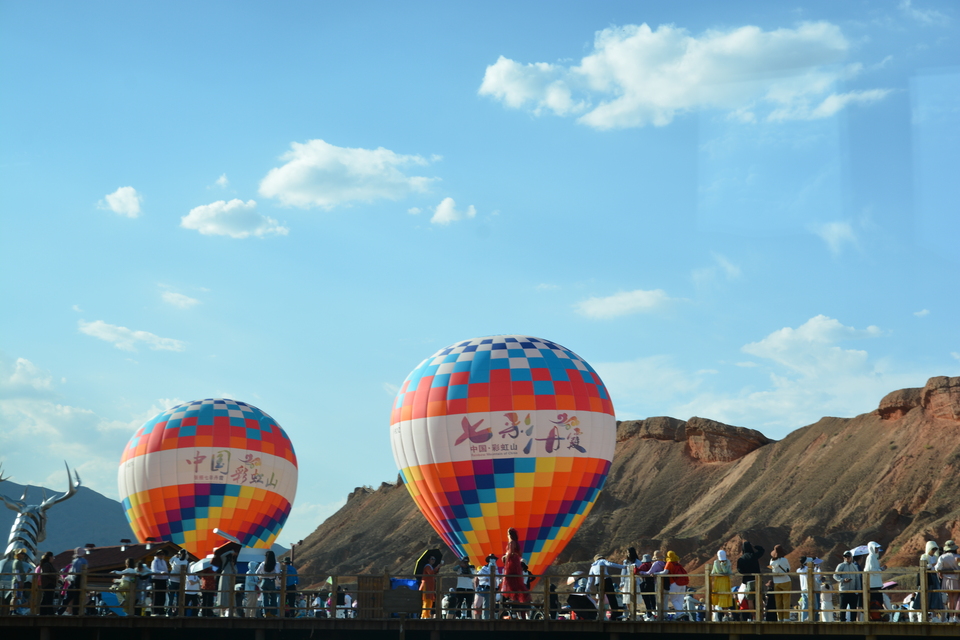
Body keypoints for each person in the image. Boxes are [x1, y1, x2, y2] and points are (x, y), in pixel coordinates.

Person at [501, 528, 530, 617]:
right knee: (516, 581)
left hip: (511, 563)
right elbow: (520, 554)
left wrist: (506, 558)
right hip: (516, 562)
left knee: (510, 580)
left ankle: (514, 598)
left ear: (509, 535)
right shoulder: (516, 543)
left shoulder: (511, 543)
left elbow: (510, 553)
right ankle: (518, 597)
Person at [587, 553, 624, 620]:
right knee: (611, 597)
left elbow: (590, 578)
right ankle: (616, 614)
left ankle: (600, 615)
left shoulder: (592, 566)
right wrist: (624, 567)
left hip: (598, 583)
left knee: (600, 599)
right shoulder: (602, 561)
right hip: (606, 580)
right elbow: (611, 564)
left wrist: (587, 588)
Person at [736, 541, 764, 621]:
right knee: (759, 598)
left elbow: (740, 570)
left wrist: (746, 572)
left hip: (748, 581)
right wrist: (755, 546)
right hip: (757, 579)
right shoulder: (754, 556)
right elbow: (762, 550)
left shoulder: (741, 559)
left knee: (750, 600)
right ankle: (761, 616)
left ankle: (754, 616)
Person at [57, 547, 89, 616]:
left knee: (68, 597)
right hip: (80, 579)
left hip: (72, 579)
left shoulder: (74, 561)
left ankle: (60, 611)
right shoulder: (84, 561)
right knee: (77, 597)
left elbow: (72, 571)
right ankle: (75, 612)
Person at [934, 540, 959, 622]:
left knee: (950, 599)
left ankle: (951, 617)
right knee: (955, 598)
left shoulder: (942, 557)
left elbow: (937, 568)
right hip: (957, 579)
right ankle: (956, 616)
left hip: (946, 579)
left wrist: (941, 572)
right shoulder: (958, 556)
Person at [834, 550, 862, 621]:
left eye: (848, 556)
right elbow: (835, 575)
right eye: (845, 556)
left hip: (853, 591)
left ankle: (853, 621)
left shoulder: (854, 567)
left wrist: (858, 589)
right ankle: (842, 620)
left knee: (853, 608)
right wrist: (843, 580)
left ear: (851, 557)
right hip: (844, 590)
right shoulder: (841, 566)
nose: (847, 558)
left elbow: (857, 578)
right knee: (843, 607)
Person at [657, 551, 688, 615]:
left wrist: (655, 573)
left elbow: (665, 572)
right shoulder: (677, 563)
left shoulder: (669, 563)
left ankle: (680, 614)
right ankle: (679, 615)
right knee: (680, 600)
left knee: (674, 600)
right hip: (683, 584)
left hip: (674, 583)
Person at [921, 540, 944, 621]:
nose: (934, 551)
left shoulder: (936, 557)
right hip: (927, 578)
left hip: (934, 577)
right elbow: (923, 567)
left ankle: (934, 615)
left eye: (935, 549)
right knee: (927, 595)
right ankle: (925, 614)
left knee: (935, 595)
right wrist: (932, 565)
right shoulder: (924, 556)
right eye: (932, 549)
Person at [768, 545, 791, 621]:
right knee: (786, 600)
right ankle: (786, 618)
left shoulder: (771, 561)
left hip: (776, 582)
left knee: (778, 601)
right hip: (785, 581)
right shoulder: (784, 560)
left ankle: (780, 617)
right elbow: (788, 569)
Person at [862, 541, 885, 620]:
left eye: (878, 548)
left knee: (879, 601)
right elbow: (871, 570)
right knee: (875, 602)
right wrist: (880, 570)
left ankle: (877, 616)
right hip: (873, 584)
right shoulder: (871, 557)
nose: (877, 550)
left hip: (877, 583)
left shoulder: (874, 557)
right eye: (876, 548)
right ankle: (875, 617)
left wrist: (880, 569)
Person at [796, 556, 822, 622]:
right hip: (808, 589)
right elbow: (818, 575)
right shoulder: (809, 569)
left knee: (805, 606)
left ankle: (803, 619)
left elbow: (797, 571)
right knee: (815, 605)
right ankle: (810, 618)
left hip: (803, 589)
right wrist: (818, 568)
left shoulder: (800, 569)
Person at [474, 554, 498, 619]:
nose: (493, 560)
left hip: (489, 589)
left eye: (494, 559)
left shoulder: (496, 568)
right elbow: (479, 576)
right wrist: (485, 578)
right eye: (491, 558)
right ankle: (476, 618)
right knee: (477, 604)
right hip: (482, 587)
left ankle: (486, 618)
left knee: (487, 605)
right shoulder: (484, 568)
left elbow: (497, 577)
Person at [710, 550, 733, 620]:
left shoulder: (728, 562)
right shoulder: (715, 562)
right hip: (718, 582)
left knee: (725, 597)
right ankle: (723, 615)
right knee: (720, 598)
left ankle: (726, 615)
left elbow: (726, 571)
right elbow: (714, 571)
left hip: (725, 582)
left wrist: (723, 565)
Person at [620, 547, 641, 620]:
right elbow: (623, 572)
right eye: (627, 553)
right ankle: (630, 613)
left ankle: (634, 612)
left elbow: (639, 571)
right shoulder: (625, 562)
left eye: (629, 552)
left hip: (635, 581)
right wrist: (622, 582)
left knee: (634, 597)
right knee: (627, 598)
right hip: (626, 581)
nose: (628, 554)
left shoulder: (638, 562)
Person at [256, 550, 279, 618]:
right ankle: (273, 613)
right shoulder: (276, 564)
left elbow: (257, 572)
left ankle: (266, 613)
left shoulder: (263, 563)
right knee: (273, 597)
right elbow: (277, 572)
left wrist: (261, 577)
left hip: (264, 581)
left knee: (264, 597)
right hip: (271, 581)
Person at [167, 548, 188, 616]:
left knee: (171, 597)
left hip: (172, 580)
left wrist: (174, 556)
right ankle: (178, 612)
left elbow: (170, 561)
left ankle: (169, 611)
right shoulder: (186, 562)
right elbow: (188, 572)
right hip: (180, 581)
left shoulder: (175, 560)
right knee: (179, 598)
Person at [150, 549, 170, 616]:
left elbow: (166, 570)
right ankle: (155, 611)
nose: (162, 555)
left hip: (163, 580)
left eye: (163, 554)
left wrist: (167, 579)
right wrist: (160, 572)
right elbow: (154, 570)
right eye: (160, 554)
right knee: (157, 595)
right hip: (157, 579)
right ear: (157, 555)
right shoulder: (155, 561)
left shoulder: (164, 561)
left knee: (163, 596)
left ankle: (161, 610)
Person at [636, 553, 656, 618]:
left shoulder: (643, 565)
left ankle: (649, 612)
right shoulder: (652, 565)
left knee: (646, 598)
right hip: (652, 582)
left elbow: (636, 571)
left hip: (645, 583)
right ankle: (653, 609)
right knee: (652, 596)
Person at [37, 551, 57, 615]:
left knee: (45, 599)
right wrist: (55, 577)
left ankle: (43, 612)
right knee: (48, 599)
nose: (53, 559)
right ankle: (50, 613)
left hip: (48, 584)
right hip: (48, 584)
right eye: (52, 557)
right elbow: (47, 574)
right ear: (50, 557)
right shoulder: (46, 565)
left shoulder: (47, 564)